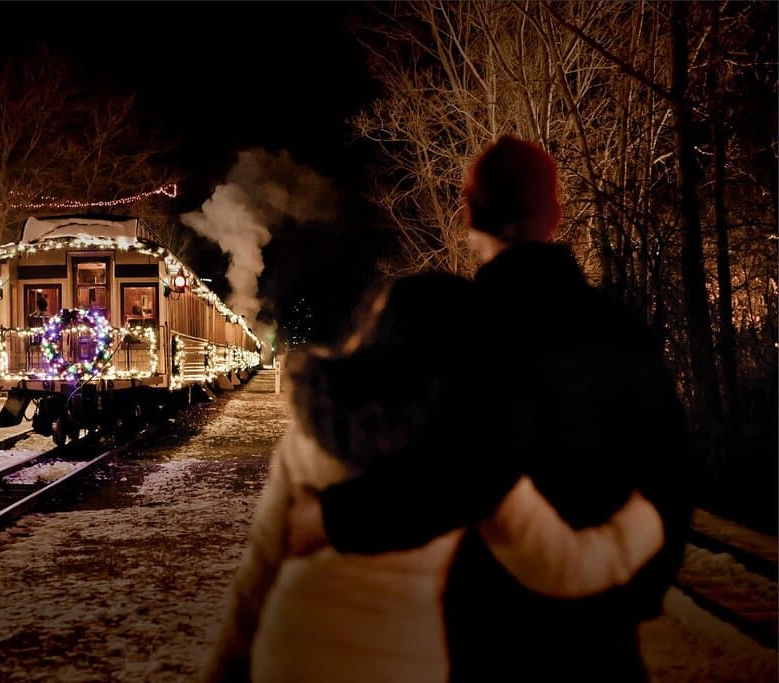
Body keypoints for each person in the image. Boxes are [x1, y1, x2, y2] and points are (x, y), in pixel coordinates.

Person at [286, 136, 693, 681]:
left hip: (498, 632)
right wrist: (633, 591)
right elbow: (673, 472)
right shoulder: (622, 329)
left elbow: (459, 470)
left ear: (470, 213)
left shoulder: (466, 328)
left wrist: (332, 518)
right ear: (555, 213)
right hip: (608, 638)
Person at [202, 272, 669, 683]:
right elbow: (562, 566)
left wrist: (224, 670)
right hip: (401, 665)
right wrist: (646, 516)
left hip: (289, 656)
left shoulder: (314, 428)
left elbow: (259, 571)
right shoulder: (468, 453)